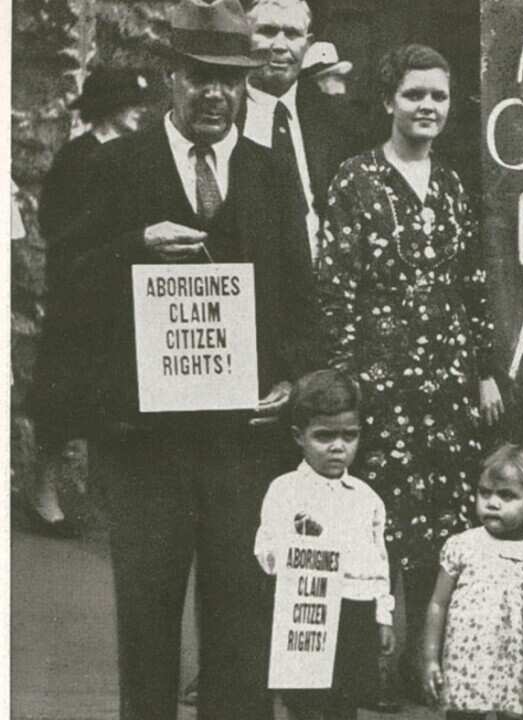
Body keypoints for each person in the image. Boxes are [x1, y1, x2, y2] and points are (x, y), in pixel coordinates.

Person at [58, 1, 318, 717]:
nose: (215, 94)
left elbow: (301, 297)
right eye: (200, 76)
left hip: (244, 443)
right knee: (147, 621)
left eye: (229, 81)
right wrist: (135, 245)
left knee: (240, 624)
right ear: (171, 76)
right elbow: (69, 286)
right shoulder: (117, 167)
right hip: (147, 445)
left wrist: (293, 380)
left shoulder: (268, 173)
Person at [318, 42, 505, 699]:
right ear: (388, 101)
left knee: (439, 522)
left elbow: (471, 284)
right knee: (378, 521)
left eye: (439, 96)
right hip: (380, 379)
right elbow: (336, 284)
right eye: (415, 94)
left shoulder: (452, 184)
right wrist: (344, 381)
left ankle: (420, 665)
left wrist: (483, 370)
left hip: (447, 380)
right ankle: (366, 669)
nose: (428, 107)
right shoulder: (356, 178)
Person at [25, 67, 150, 537]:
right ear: (110, 109)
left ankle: (104, 497)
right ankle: (41, 492)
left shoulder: (132, 154)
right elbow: (63, 229)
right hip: (81, 297)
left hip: (120, 295)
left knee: (112, 401)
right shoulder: (79, 158)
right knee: (63, 398)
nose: (140, 112)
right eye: (131, 104)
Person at [254, 370, 396, 720]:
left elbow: (378, 564)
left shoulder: (367, 499)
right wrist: (293, 550)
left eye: (350, 436)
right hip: (306, 610)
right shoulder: (285, 490)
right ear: (299, 437)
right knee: (303, 703)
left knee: (344, 703)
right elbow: (265, 550)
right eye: (324, 436)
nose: (338, 446)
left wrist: (383, 616)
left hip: (354, 614)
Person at [419, 444, 523, 720]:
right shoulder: (462, 546)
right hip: (466, 665)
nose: (492, 502)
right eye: (484, 493)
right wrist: (429, 659)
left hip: (520, 667)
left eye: (507, 495)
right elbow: (438, 603)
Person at [242, 0, 360, 262]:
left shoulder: (334, 120)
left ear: (308, 43)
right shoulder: (223, 116)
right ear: (244, 36)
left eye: (293, 34)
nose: (281, 46)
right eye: (268, 31)